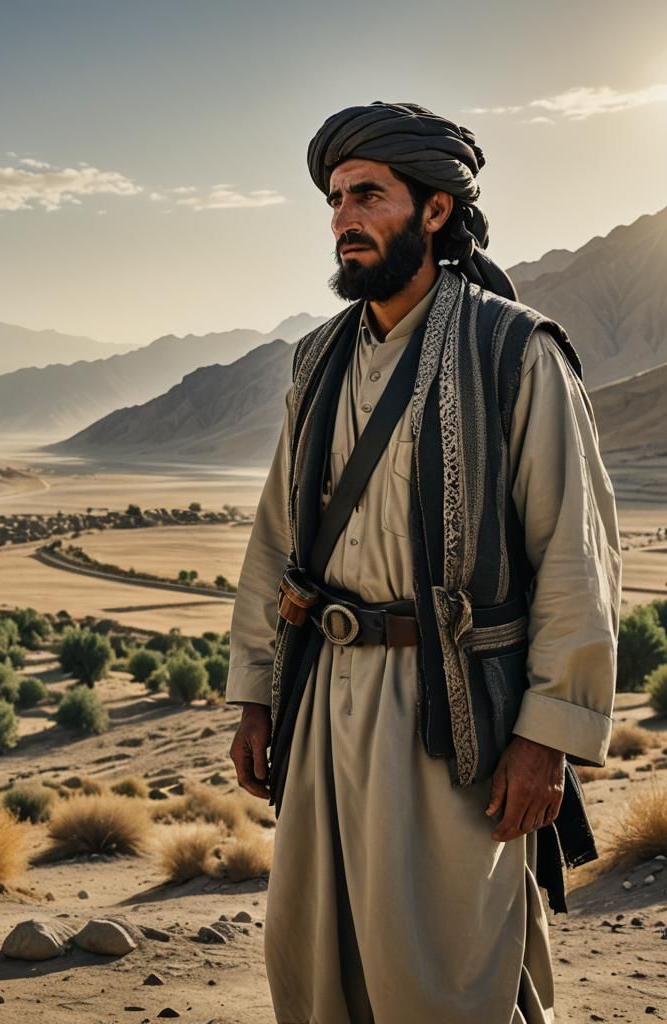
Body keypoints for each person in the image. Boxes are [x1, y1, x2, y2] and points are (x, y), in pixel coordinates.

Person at [225, 101, 621, 1024]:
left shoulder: (514, 352)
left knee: (447, 970)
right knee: (316, 956)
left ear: (435, 211)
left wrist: (547, 738)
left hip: (452, 712)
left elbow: (573, 555)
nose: (343, 219)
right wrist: (254, 693)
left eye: (368, 194)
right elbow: (274, 539)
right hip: (320, 698)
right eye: (333, 199)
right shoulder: (317, 358)